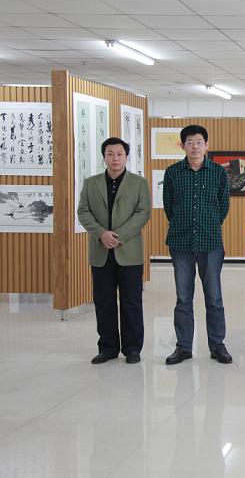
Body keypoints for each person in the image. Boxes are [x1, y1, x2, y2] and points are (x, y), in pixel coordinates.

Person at [163, 124, 232, 365]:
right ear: (183, 146)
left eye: (199, 142)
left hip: (210, 241)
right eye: (190, 142)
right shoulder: (172, 173)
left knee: (214, 297)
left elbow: (223, 206)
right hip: (180, 242)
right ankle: (183, 347)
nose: (195, 146)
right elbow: (169, 207)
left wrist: (208, 223)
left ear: (206, 145)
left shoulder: (218, 172)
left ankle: (217, 345)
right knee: (183, 298)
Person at [78, 137, 150, 364]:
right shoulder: (91, 183)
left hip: (129, 252)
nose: (115, 158)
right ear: (104, 157)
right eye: (110, 154)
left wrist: (118, 236)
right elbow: (83, 212)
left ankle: (132, 349)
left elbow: (143, 213)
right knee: (104, 302)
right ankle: (107, 348)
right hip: (100, 252)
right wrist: (101, 233)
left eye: (119, 154)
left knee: (131, 302)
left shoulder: (139, 183)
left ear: (126, 157)